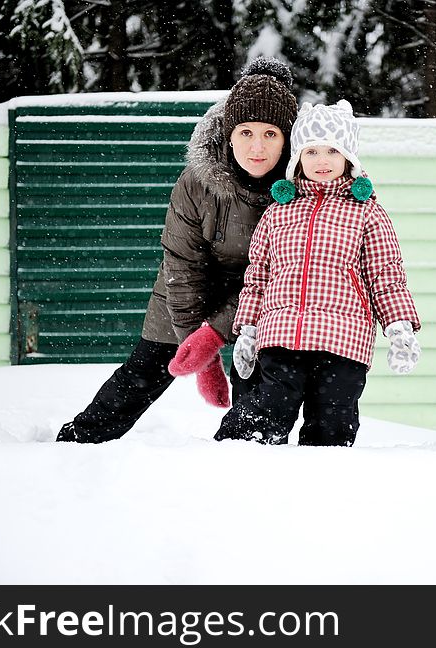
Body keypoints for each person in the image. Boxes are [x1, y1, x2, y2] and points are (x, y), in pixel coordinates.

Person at [56, 57, 298, 444]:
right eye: (246, 132)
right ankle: (77, 444)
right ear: (228, 133)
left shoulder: (300, 191)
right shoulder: (197, 180)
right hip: (188, 290)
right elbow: (182, 264)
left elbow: (280, 274)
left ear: (287, 139)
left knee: (254, 378)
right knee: (145, 370)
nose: (257, 146)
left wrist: (216, 334)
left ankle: (244, 461)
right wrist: (197, 348)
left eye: (270, 134)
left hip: (263, 298)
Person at [213, 99, 422, 447]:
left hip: (342, 341)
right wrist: (248, 329)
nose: (321, 161)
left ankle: (324, 487)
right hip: (282, 336)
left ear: (348, 157)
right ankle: (233, 466)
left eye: (331, 151)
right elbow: (258, 278)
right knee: (264, 413)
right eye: (310, 152)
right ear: (297, 159)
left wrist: (399, 326)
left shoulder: (366, 213)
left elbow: (386, 274)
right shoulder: (278, 213)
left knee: (332, 421)